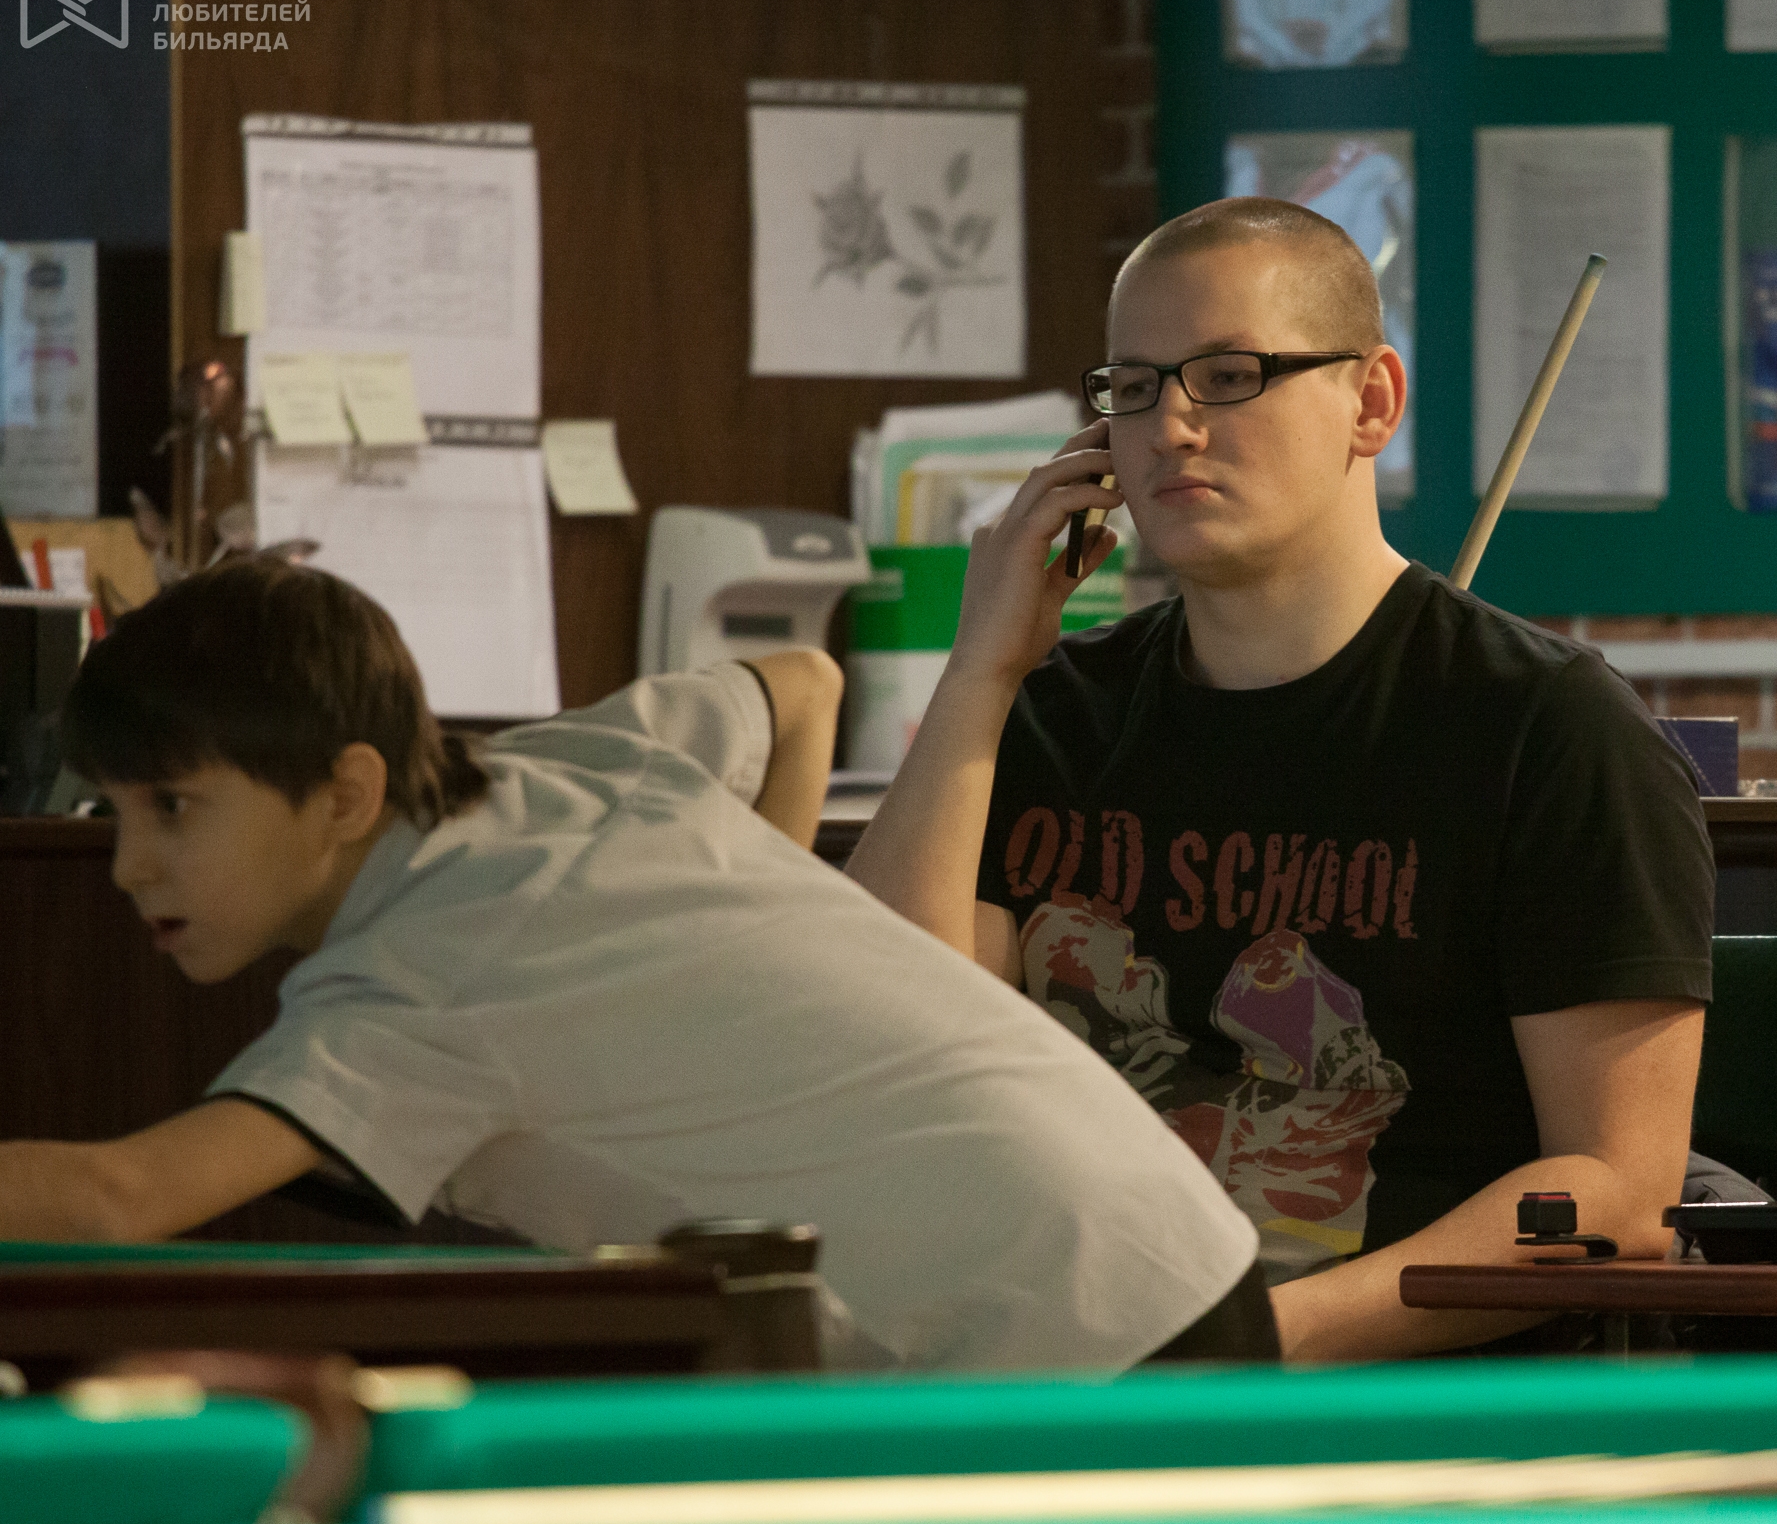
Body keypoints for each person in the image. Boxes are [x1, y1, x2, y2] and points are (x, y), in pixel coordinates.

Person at [0, 559, 1265, 1371]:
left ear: (345, 792)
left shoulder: (419, 981)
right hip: (1164, 1233)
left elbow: (120, 1198)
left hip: (1083, 1327)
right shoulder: (564, 767)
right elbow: (801, 684)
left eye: (172, 807)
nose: (129, 865)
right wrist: (752, 950)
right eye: (114, 809)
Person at [845, 197, 1717, 1361]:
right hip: (1073, 1365)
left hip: (1410, 1400)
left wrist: (1243, 1351)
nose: (1171, 427)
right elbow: (885, 1062)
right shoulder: (1049, 716)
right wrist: (978, 671)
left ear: (1373, 402)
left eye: (1229, 375)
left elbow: (1615, 1189)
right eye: (1134, 387)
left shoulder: (1550, 729)